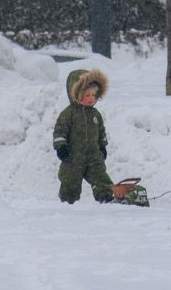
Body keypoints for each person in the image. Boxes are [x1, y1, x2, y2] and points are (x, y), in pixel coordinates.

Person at [53, 68, 139, 205]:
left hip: (93, 155)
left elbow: (101, 132)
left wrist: (102, 146)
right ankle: (67, 201)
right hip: (73, 157)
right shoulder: (68, 114)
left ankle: (105, 196)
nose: (91, 99)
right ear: (76, 94)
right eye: (87, 95)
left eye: (94, 95)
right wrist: (61, 147)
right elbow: (59, 132)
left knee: (100, 177)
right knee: (70, 180)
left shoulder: (95, 114)